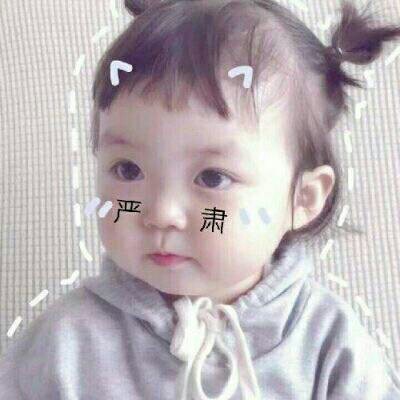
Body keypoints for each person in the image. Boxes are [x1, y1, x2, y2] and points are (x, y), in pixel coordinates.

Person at [1, 0, 400, 398]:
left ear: (303, 198)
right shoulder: (65, 342)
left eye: (212, 177)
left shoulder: (329, 344)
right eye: (127, 170)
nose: (161, 213)